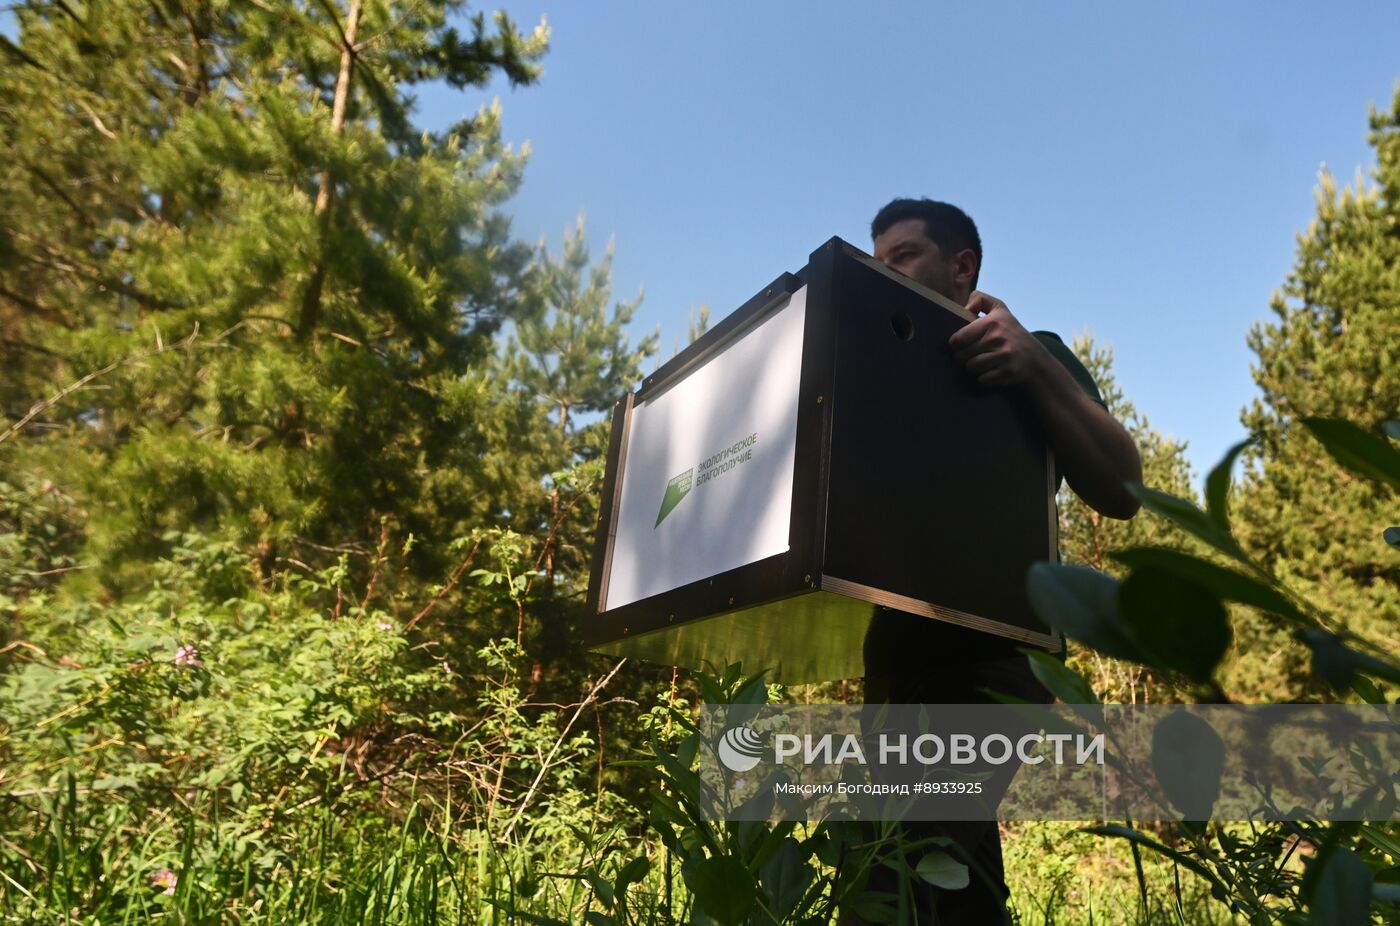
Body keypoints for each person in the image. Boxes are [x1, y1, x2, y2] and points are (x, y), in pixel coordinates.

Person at [848, 198, 1142, 924]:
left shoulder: (1030, 352)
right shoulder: (879, 379)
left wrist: (1035, 365)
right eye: (873, 262)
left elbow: (1123, 489)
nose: (883, 274)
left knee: (891, 872)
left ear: (962, 267)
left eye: (902, 258)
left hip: (992, 658)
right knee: (956, 882)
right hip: (891, 663)